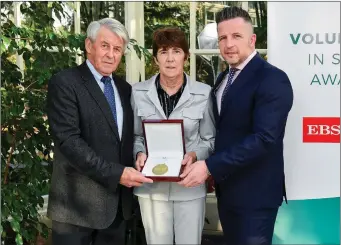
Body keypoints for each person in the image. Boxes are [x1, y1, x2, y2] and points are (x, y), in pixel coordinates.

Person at [179, 6, 294, 245]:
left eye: (236, 36)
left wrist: (209, 166)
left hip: (255, 196)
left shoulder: (273, 78)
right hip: (227, 191)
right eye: (223, 38)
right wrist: (198, 155)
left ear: (252, 40)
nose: (228, 44)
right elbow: (223, 131)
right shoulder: (223, 78)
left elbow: (264, 139)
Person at [46, 18, 153, 245]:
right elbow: (69, 142)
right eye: (105, 46)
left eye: (117, 49)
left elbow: (124, 139)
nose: (111, 55)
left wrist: (138, 155)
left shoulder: (124, 89)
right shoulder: (65, 83)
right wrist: (118, 174)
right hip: (75, 211)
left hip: (116, 211)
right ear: (89, 45)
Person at [131, 27, 215, 245]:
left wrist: (195, 155)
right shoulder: (138, 92)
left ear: (185, 57)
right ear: (155, 57)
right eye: (163, 51)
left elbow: (210, 140)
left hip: (189, 186)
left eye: (176, 51)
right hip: (151, 187)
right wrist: (139, 152)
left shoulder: (204, 93)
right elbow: (134, 136)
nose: (170, 59)